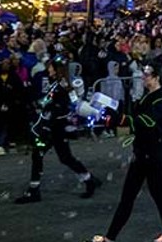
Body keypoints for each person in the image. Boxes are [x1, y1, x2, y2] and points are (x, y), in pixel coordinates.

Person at [84, 61, 162, 242]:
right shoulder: (148, 96)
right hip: (142, 154)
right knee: (127, 198)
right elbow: (133, 121)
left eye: (148, 75)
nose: (143, 77)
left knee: (160, 197)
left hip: (154, 156)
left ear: (157, 78)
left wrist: (119, 119)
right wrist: (111, 116)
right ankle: (109, 241)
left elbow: (144, 122)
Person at [13, 60, 101, 204]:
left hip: (54, 128)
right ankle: (88, 179)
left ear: (57, 69)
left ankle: (35, 190)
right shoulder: (59, 84)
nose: (49, 70)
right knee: (61, 157)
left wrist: (49, 116)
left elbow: (68, 106)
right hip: (54, 128)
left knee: (44, 155)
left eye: (51, 68)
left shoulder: (62, 86)